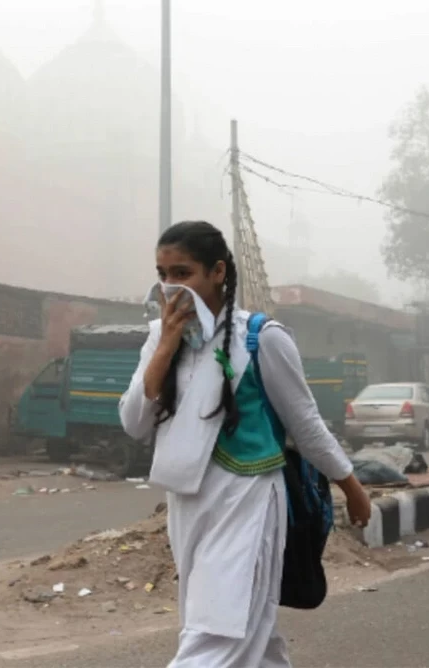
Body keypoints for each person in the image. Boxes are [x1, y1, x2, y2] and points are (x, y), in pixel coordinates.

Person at [119, 221, 371, 667]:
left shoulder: (263, 338)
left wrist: (350, 485)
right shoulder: (161, 337)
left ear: (217, 272)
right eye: (163, 274)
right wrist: (164, 347)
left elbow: (305, 423)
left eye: (183, 273)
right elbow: (134, 422)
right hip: (187, 502)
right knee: (245, 627)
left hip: (248, 499)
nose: (171, 287)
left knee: (219, 631)